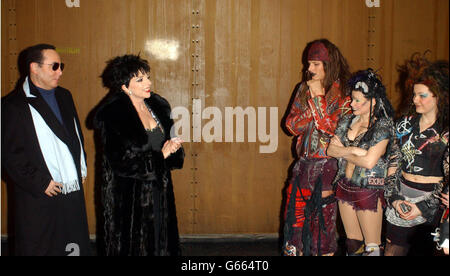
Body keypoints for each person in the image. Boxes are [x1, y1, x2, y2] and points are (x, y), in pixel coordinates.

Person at [1, 44, 91, 255]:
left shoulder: (65, 96)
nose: (60, 72)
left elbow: (76, 138)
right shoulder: (13, 106)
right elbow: (8, 155)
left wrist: (80, 166)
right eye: (54, 66)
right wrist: (40, 182)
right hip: (40, 195)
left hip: (70, 190)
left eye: (61, 66)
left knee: (74, 244)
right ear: (35, 68)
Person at [93, 54, 184, 256]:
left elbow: (169, 146)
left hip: (160, 188)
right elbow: (120, 162)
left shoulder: (158, 106)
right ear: (125, 87)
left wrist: (174, 148)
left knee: (162, 242)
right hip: (130, 196)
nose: (148, 83)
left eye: (148, 77)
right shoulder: (114, 114)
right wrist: (161, 155)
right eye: (140, 79)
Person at [283, 39, 352, 256]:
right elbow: (291, 126)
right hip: (303, 165)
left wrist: (318, 99)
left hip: (328, 166)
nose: (309, 69)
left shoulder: (345, 93)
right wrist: (312, 102)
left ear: (328, 65)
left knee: (322, 225)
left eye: (315, 64)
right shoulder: (303, 88)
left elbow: (330, 129)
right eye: (308, 64)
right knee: (294, 220)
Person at [384, 54, 449, 256]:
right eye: (414, 94)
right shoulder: (404, 123)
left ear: (439, 95)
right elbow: (393, 162)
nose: (414, 100)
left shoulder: (446, 131)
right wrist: (394, 198)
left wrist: (422, 207)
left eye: (422, 95)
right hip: (401, 197)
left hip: (434, 204)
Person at [327, 69, 395, 256]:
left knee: (372, 247)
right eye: (352, 98)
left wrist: (343, 152)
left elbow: (369, 162)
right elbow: (330, 150)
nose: (352, 103)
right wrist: (353, 150)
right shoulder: (347, 120)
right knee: (352, 244)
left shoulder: (382, 125)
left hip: (369, 189)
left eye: (358, 100)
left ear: (373, 101)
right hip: (344, 185)